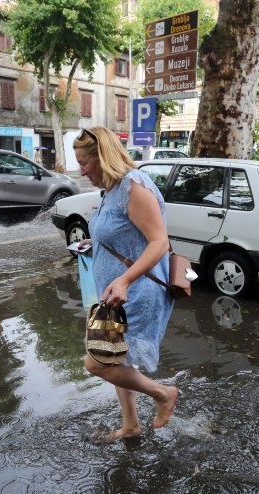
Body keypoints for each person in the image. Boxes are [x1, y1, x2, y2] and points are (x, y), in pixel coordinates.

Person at [73, 126, 179, 440]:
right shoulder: (109, 191)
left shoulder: (134, 185)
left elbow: (159, 242)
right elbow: (119, 235)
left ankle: (163, 394)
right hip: (114, 294)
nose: (81, 170)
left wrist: (124, 280)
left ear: (102, 158)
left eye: (84, 163)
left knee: (97, 363)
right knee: (115, 357)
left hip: (137, 292)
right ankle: (131, 426)